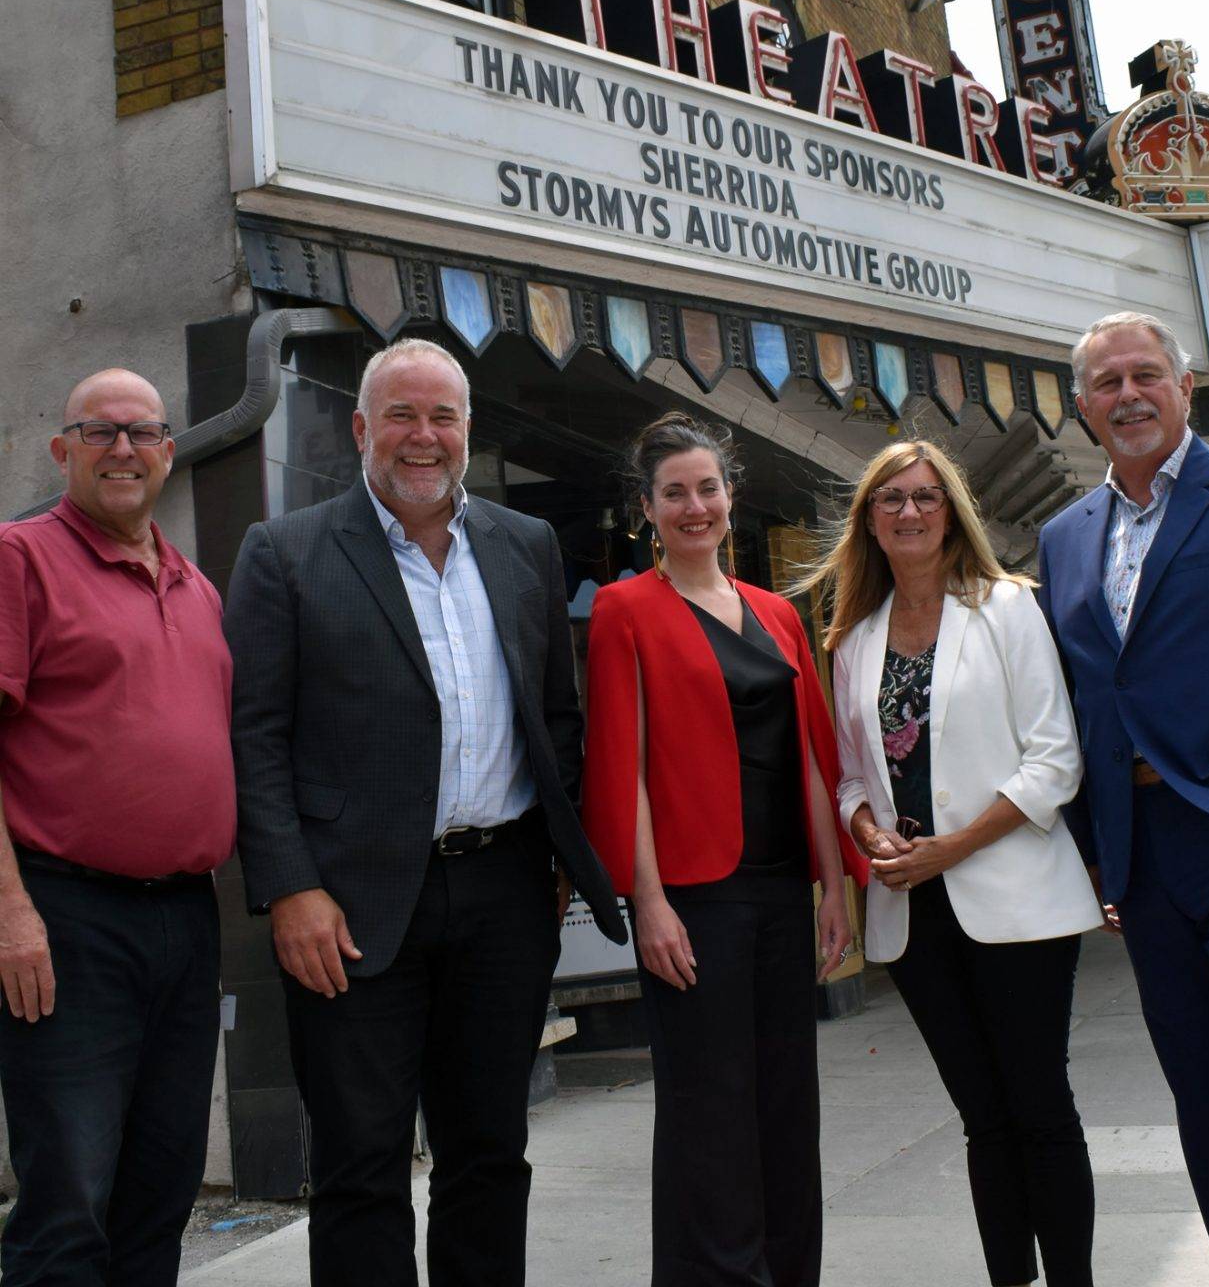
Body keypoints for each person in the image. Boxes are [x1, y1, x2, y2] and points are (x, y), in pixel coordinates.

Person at [223, 337, 625, 1287]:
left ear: (466, 431)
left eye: (442, 416)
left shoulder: (522, 545)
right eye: (401, 415)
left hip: (502, 894)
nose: (422, 436)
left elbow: (555, 716)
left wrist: (557, 850)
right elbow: (252, 738)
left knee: (488, 1154)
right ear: (362, 428)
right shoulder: (285, 552)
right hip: (349, 909)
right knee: (362, 1167)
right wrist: (290, 890)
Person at [803, 438, 1102, 1287]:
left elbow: (1054, 760)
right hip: (914, 911)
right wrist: (867, 833)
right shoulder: (852, 640)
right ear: (869, 519)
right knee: (981, 1117)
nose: (908, 511)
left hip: (1014, 901)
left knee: (1039, 1108)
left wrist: (951, 848)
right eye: (890, 498)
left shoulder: (1005, 607)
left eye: (926, 497)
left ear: (950, 511)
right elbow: (852, 776)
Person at [580, 411, 863, 1287]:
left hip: (782, 894)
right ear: (648, 509)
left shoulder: (777, 614)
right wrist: (648, 900)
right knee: (709, 1114)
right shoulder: (623, 609)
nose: (694, 506)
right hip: (694, 900)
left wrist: (833, 890)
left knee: (785, 1107)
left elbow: (813, 760)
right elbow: (618, 766)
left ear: (730, 499)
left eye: (707, 488)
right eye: (675, 493)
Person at [1039, 311, 1209, 1287]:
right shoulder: (1061, 539)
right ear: (1080, 407)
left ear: (1185, 388)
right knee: (1203, 1092)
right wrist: (1096, 853)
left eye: (1145, 374)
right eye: (1105, 382)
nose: (1127, 394)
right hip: (1142, 858)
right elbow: (1072, 704)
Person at [0, 369, 236, 1287]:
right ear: (63, 452)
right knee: (68, 1199)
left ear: (170, 452)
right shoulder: (20, 559)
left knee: (160, 1189)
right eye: (99, 433)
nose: (124, 450)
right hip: (68, 920)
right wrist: (12, 913)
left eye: (142, 433)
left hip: (185, 918)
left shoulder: (196, 586)